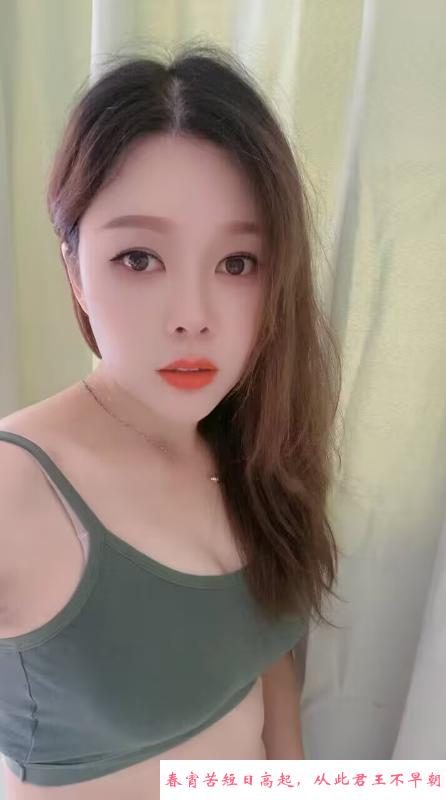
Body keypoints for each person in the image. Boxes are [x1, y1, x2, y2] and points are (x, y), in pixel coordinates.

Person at [0, 40, 342, 800]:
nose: (193, 317)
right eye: (139, 259)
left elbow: (267, 665)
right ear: (74, 268)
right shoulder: (17, 486)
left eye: (237, 263)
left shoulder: (251, 442)